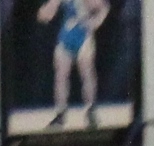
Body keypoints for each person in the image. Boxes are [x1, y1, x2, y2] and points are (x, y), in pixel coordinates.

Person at [37, 0, 110, 128]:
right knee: (61, 77)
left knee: (87, 75)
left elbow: (104, 7)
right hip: (66, 37)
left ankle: (91, 111)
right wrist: (47, 10)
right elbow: (44, 15)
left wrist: (95, 22)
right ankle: (60, 114)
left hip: (84, 37)